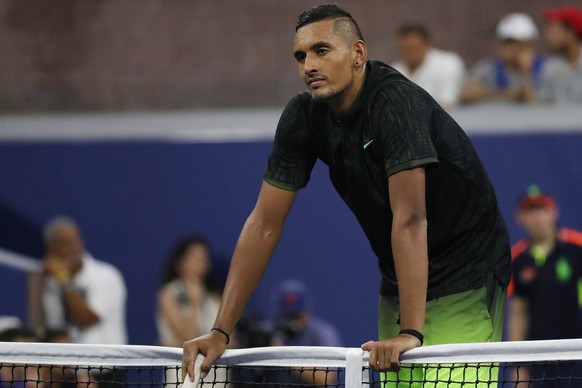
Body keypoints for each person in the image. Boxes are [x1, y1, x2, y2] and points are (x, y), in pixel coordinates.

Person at [182, 4, 510, 385]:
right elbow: (264, 224)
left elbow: (410, 217)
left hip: (468, 269)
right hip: (400, 281)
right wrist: (221, 330)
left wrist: (412, 333)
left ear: (358, 54)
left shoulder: (395, 103)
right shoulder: (302, 118)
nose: (308, 65)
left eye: (322, 50)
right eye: (301, 56)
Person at [508, 185, 582, 387]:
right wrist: (518, 367)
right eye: (530, 211)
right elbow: (518, 315)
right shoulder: (518, 260)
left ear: (553, 211)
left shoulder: (577, 248)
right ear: (519, 217)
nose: (537, 217)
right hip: (539, 361)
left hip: (577, 354)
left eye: (542, 208)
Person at [41, 216, 127, 345]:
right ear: (50, 249)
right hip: (63, 363)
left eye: (75, 241)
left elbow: (88, 319)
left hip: (102, 362)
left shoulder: (106, 275)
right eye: (63, 244)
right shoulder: (49, 280)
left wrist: (64, 279)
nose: (72, 249)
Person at [460, 13, 543, 104]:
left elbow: (536, 106)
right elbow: (465, 95)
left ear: (530, 45)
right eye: (507, 43)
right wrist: (508, 95)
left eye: (518, 44)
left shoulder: (547, 70)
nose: (512, 49)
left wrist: (526, 73)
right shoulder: (488, 69)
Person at [156, 236, 221, 347]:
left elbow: (228, 338)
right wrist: (194, 302)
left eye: (204, 259)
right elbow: (187, 338)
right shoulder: (168, 295)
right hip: (180, 361)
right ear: (179, 263)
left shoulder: (214, 295)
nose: (202, 265)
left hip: (215, 361)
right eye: (196, 259)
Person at [391, 23, 465, 108]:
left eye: (414, 48)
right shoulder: (393, 70)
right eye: (404, 48)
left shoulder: (449, 64)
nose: (410, 53)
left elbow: (448, 102)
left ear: (427, 45)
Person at [538, 5, 582, 104]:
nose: (547, 34)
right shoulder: (550, 67)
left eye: (553, 29)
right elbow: (541, 106)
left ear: (571, 33)